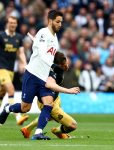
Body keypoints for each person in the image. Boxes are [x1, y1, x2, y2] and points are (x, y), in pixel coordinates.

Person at [0, 10, 78, 140]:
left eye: (61, 22)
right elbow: (42, 54)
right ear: (50, 21)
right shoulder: (43, 33)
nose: (60, 24)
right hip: (32, 75)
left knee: (49, 103)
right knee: (25, 108)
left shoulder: (54, 39)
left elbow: (48, 55)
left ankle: (38, 133)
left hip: (43, 77)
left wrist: (56, 66)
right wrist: (53, 66)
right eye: (57, 22)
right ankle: (7, 108)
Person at [21, 51, 79, 139]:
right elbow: (50, 84)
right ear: (59, 64)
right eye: (65, 63)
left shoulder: (57, 68)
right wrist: (69, 91)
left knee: (49, 117)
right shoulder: (53, 71)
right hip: (48, 100)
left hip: (54, 98)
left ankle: (27, 129)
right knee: (72, 125)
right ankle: (57, 131)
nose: (67, 64)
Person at [0, 16, 28, 125]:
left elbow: (20, 53)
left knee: (1, 93)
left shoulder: (18, 38)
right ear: (7, 24)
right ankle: (18, 117)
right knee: (11, 89)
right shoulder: (1, 36)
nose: (12, 24)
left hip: (10, 70)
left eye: (14, 23)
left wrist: (24, 64)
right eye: (10, 22)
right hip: (1, 68)